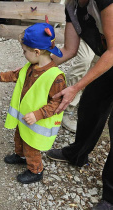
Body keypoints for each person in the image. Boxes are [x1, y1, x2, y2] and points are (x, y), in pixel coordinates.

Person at [45, 0, 113, 209]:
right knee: (90, 107)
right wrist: (37, 68)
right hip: (108, 60)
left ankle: (110, 198)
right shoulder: (72, 6)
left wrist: (75, 87)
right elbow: (69, 49)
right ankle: (76, 154)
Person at [0, 22, 66, 184]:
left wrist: (37, 114)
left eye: (24, 51)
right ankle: (20, 156)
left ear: (36, 52)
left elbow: (57, 103)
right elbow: (14, 75)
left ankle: (36, 171)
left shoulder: (55, 77)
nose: (23, 54)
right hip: (24, 120)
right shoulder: (30, 66)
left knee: (31, 146)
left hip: (37, 122)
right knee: (19, 138)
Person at [62, 39, 95, 133]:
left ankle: (85, 104)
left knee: (96, 64)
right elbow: (68, 51)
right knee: (84, 60)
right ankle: (66, 108)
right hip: (89, 27)